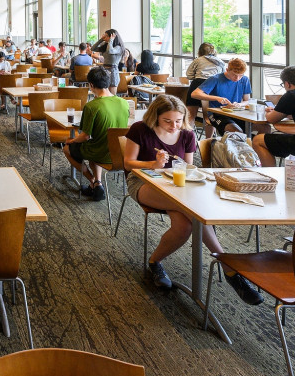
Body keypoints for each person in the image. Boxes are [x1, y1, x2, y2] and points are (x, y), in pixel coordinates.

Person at [123, 95, 263, 304]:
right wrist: (153, 164)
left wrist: (186, 169)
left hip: (176, 186)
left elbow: (187, 167)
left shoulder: (187, 135)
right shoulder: (140, 129)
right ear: (156, 118)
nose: (174, 126)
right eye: (167, 121)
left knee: (184, 227)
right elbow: (128, 163)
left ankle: (154, 262)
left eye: (178, 121)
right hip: (144, 182)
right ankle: (229, 267)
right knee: (193, 209)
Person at [63, 66, 130, 200]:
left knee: (67, 149)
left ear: (91, 85)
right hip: (121, 154)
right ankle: (97, 184)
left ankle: (93, 180)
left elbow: (85, 136)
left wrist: (72, 140)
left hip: (100, 152)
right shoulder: (124, 103)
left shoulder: (92, 106)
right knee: (95, 144)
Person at [190, 57, 256, 136]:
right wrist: (217, 98)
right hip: (216, 114)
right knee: (236, 130)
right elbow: (194, 94)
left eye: (240, 75)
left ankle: (252, 146)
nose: (237, 78)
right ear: (227, 70)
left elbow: (247, 101)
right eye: (234, 75)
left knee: (265, 128)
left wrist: (240, 104)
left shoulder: (245, 80)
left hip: (236, 113)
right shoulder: (215, 79)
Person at [185, 43, 226, 137]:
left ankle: (189, 139)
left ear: (200, 51)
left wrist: (196, 77)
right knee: (209, 117)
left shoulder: (198, 60)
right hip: (212, 87)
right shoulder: (220, 62)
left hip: (197, 84)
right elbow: (222, 76)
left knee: (191, 115)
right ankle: (209, 141)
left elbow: (189, 74)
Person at [91, 29, 125, 93]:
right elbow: (93, 48)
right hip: (104, 70)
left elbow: (110, 51)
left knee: (112, 94)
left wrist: (111, 40)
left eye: (107, 36)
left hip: (113, 71)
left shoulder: (118, 47)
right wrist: (101, 40)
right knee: (104, 93)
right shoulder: (106, 46)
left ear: (112, 37)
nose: (105, 37)